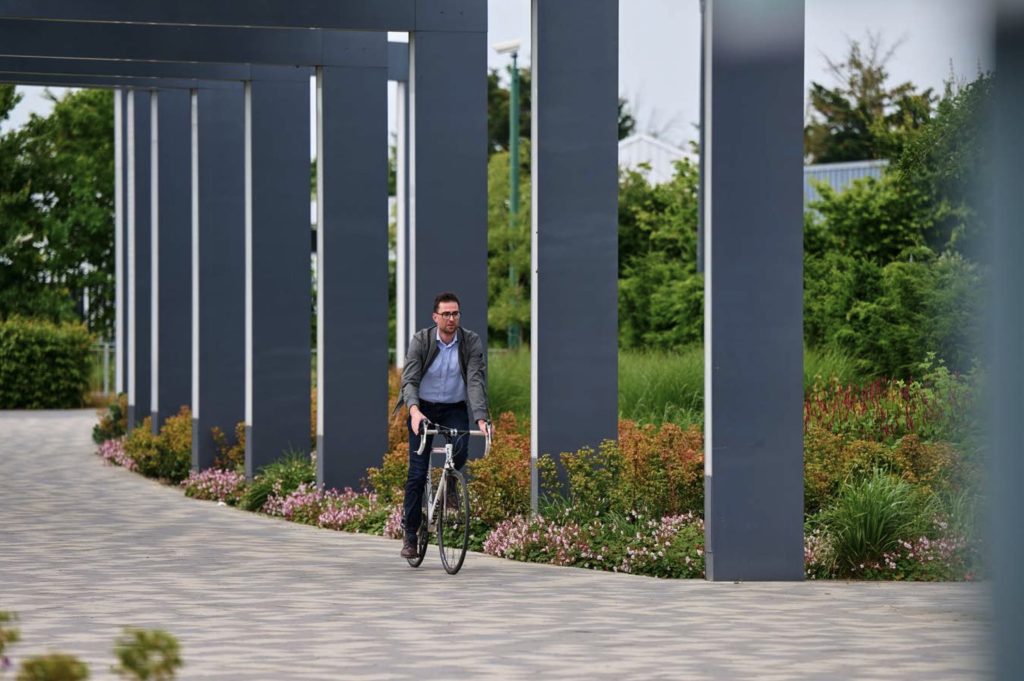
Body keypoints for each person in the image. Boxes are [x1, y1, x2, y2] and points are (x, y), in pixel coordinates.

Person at [396, 292, 490, 559]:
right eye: (446, 314)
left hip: (453, 408)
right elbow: (410, 380)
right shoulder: (421, 340)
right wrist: (413, 411)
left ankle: (450, 485)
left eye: (456, 313)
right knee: (416, 473)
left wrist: (481, 418)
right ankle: (411, 533)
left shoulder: (470, 342)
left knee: (460, 449)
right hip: (422, 409)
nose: (452, 319)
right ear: (435, 317)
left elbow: (475, 381)